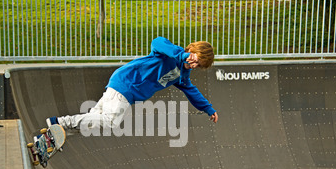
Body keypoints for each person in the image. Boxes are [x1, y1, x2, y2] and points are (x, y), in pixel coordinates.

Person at [46, 36, 218, 133]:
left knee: (94, 120)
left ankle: (56, 133)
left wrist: (208, 109)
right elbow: (157, 42)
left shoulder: (183, 76)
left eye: (199, 65)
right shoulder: (170, 53)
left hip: (125, 88)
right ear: (191, 50)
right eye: (195, 59)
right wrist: (179, 55)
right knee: (111, 122)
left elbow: (192, 92)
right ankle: (60, 122)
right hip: (127, 83)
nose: (193, 64)